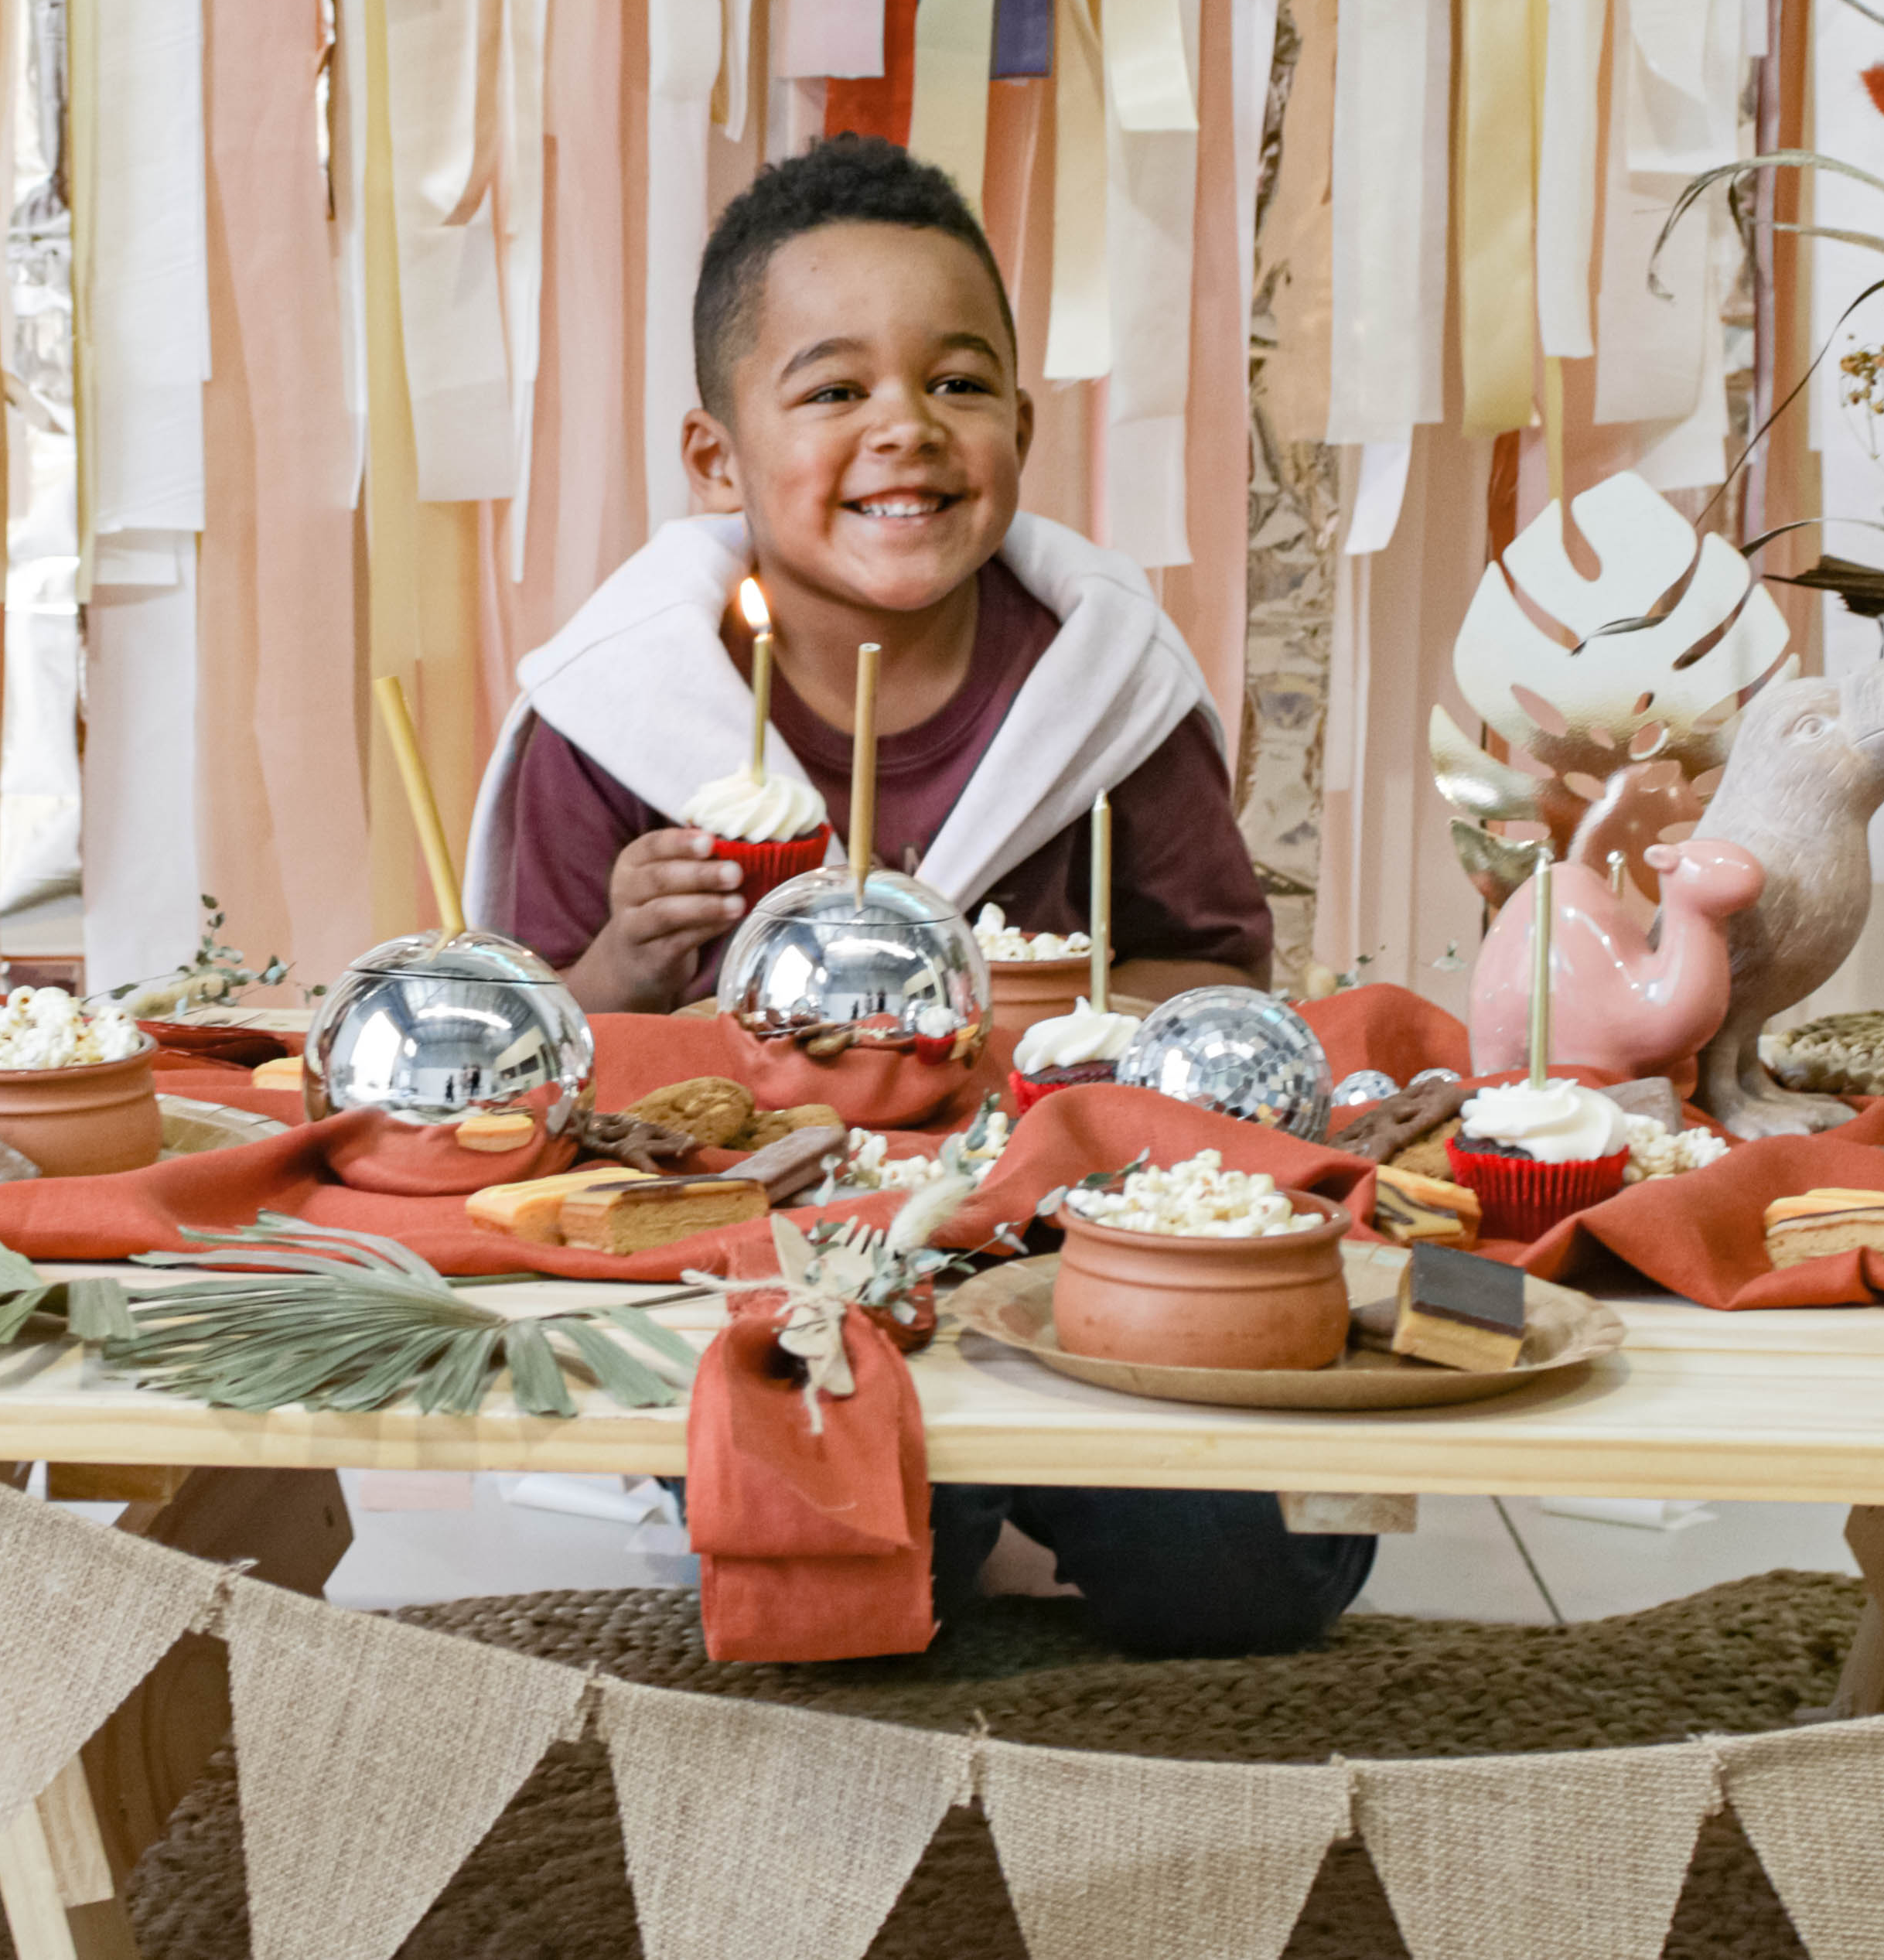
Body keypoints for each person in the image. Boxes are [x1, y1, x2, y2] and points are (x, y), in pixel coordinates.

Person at [461, 135, 1372, 1658]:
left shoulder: (1100, 693)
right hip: (773, 1261)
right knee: (859, 1583)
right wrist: (628, 947)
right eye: (834, 391)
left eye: (957, 384)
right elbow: (532, 1068)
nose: (907, 431)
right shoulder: (626, 713)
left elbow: (1217, 988)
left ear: (1020, 420)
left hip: (1076, 1244)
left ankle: (1069, 1485)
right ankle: (934, 1506)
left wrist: (1055, 1011)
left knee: (1250, 1583)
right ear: (716, 457)